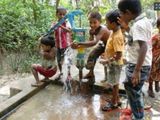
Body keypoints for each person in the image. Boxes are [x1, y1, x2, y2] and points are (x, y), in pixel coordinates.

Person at [118, 0, 152, 119]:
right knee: (133, 89)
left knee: (133, 92)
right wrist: (127, 29)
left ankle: (138, 117)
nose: (120, 16)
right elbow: (136, 40)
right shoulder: (144, 21)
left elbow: (143, 46)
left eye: (121, 13)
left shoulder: (138, 25)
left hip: (138, 65)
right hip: (143, 64)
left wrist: (137, 71)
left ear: (127, 12)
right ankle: (136, 111)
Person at [71, 11, 110, 84]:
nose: (92, 25)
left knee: (106, 61)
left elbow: (94, 42)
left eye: (94, 22)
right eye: (90, 22)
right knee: (92, 55)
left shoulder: (102, 29)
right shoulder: (92, 30)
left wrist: (79, 43)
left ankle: (107, 78)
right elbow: (91, 42)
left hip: (110, 46)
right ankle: (91, 73)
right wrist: (79, 46)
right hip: (103, 44)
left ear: (100, 22)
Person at [99, 10, 124, 111]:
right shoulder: (114, 32)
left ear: (113, 23)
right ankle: (116, 99)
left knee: (113, 85)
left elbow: (118, 55)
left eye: (107, 22)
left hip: (115, 64)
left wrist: (107, 61)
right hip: (114, 64)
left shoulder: (117, 36)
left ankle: (114, 103)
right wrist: (105, 54)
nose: (105, 24)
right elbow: (111, 48)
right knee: (115, 83)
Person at [51, 7, 71, 78]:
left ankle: (68, 74)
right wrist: (54, 26)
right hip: (58, 46)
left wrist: (60, 25)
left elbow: (68, 30)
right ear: (57, 14)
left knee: (66, 61)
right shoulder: (54, 23)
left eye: (64, 14)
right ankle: (61, 72)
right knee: (59, 61)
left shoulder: (67, 22)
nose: (62, 16)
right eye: (60, 14)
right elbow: (52, 31)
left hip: (65, 45)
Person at [148, 17, 160, 98]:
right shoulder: (156, 37)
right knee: (152, 72)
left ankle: (157, 82)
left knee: (159, 72)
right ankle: (150, 88)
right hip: (155, 58)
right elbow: (150, 46)